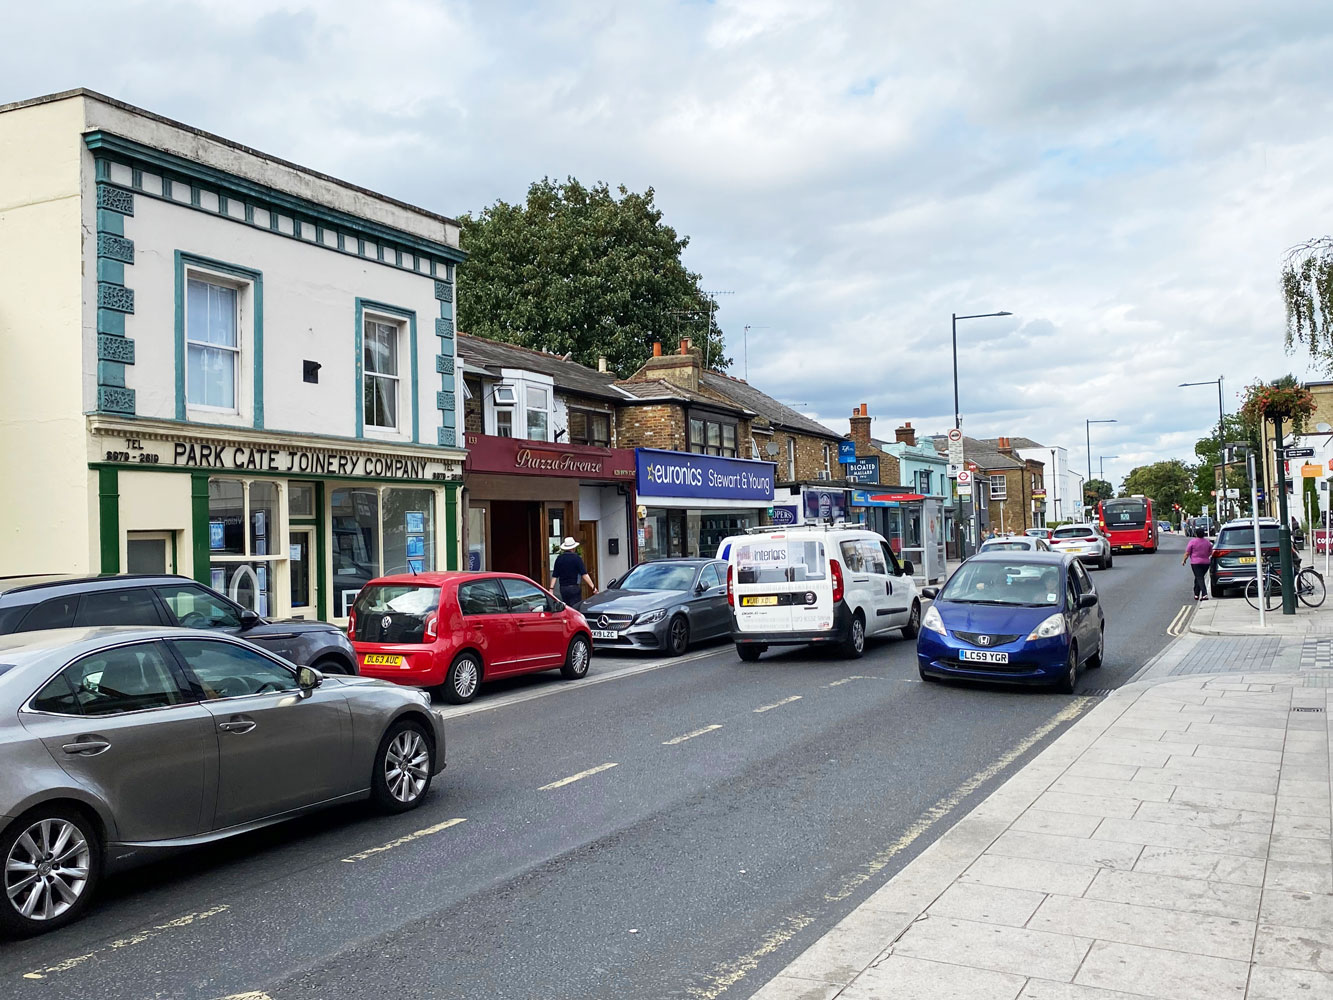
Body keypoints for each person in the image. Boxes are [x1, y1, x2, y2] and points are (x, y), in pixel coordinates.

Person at [550, 537, 595, 607]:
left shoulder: (559, 559)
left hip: (563, 588)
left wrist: (551, 589)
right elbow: (584, 574)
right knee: (576, 607)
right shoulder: (577, 558)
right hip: (574, 587)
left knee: (567, 607)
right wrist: (593, 587)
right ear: (573, 548)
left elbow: (555, 575)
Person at [1182, 527, 1213, 600]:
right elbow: (1210, 552)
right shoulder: (1207, 542)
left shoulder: (1192, 542)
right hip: (1206, 563)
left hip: (1195, 563)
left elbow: (1187, 553)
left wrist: (1184, 560)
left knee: (1199, 578)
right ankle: (1196, 594)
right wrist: (1205, 557)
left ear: (1196, 534)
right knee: (1198, 577)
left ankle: (1204, 594)